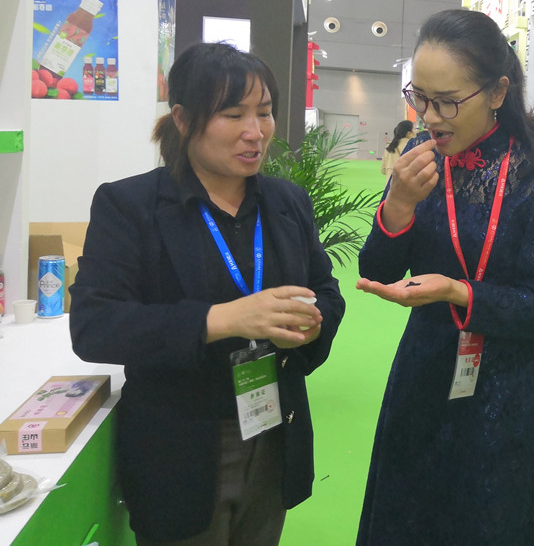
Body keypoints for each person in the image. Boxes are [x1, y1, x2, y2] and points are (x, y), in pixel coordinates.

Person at [70, 43, 345, 546]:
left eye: (264, 112)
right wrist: (223, 319)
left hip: (272, 431)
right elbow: (95, 325)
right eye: (233, 115)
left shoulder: (287, 202)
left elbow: (325, 289)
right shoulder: (130, 205)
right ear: (182, 119)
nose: (255, 131)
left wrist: (312, 323)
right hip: (182, 445)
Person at [355, 9, 534, 544]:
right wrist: (398, 205)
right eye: (420, 98)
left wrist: (457, 291)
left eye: (448, 101)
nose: (430, 117)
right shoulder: (418, 158)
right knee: (413, 519)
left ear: (498, 91)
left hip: (509, 388)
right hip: (425, 373)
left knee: (496, 521)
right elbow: (377, 269)